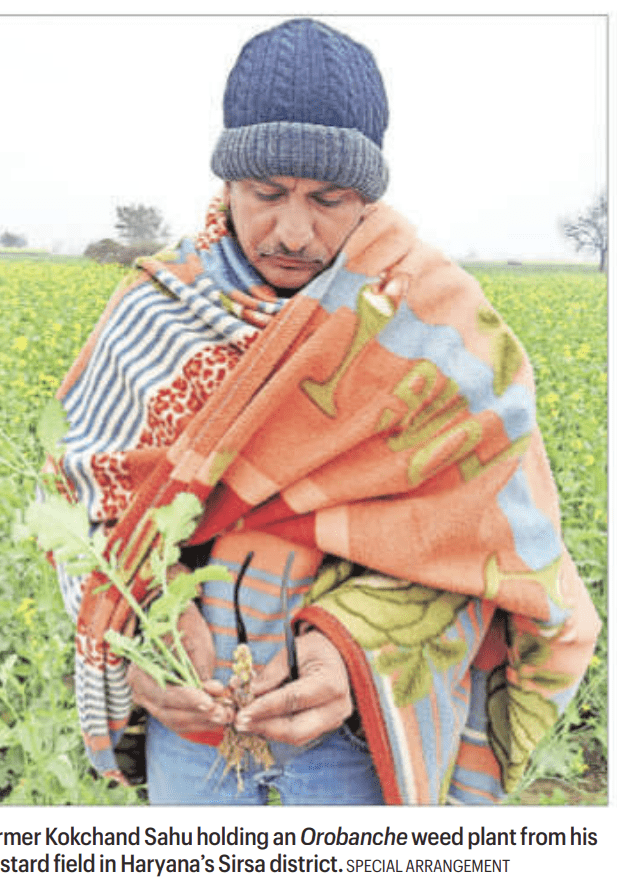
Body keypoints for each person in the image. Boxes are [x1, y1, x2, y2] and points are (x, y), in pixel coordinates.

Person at [53, 18, 600, 805]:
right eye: (265, 194)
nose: (294, 231)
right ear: (228, 185)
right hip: (190, 741)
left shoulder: (440, 324)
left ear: (368, 194)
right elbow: (81, 502)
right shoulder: (156, 309)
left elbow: (489, 549)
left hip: (359, 746)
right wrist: (145, 628)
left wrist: (351, 654)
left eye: (329, 199)